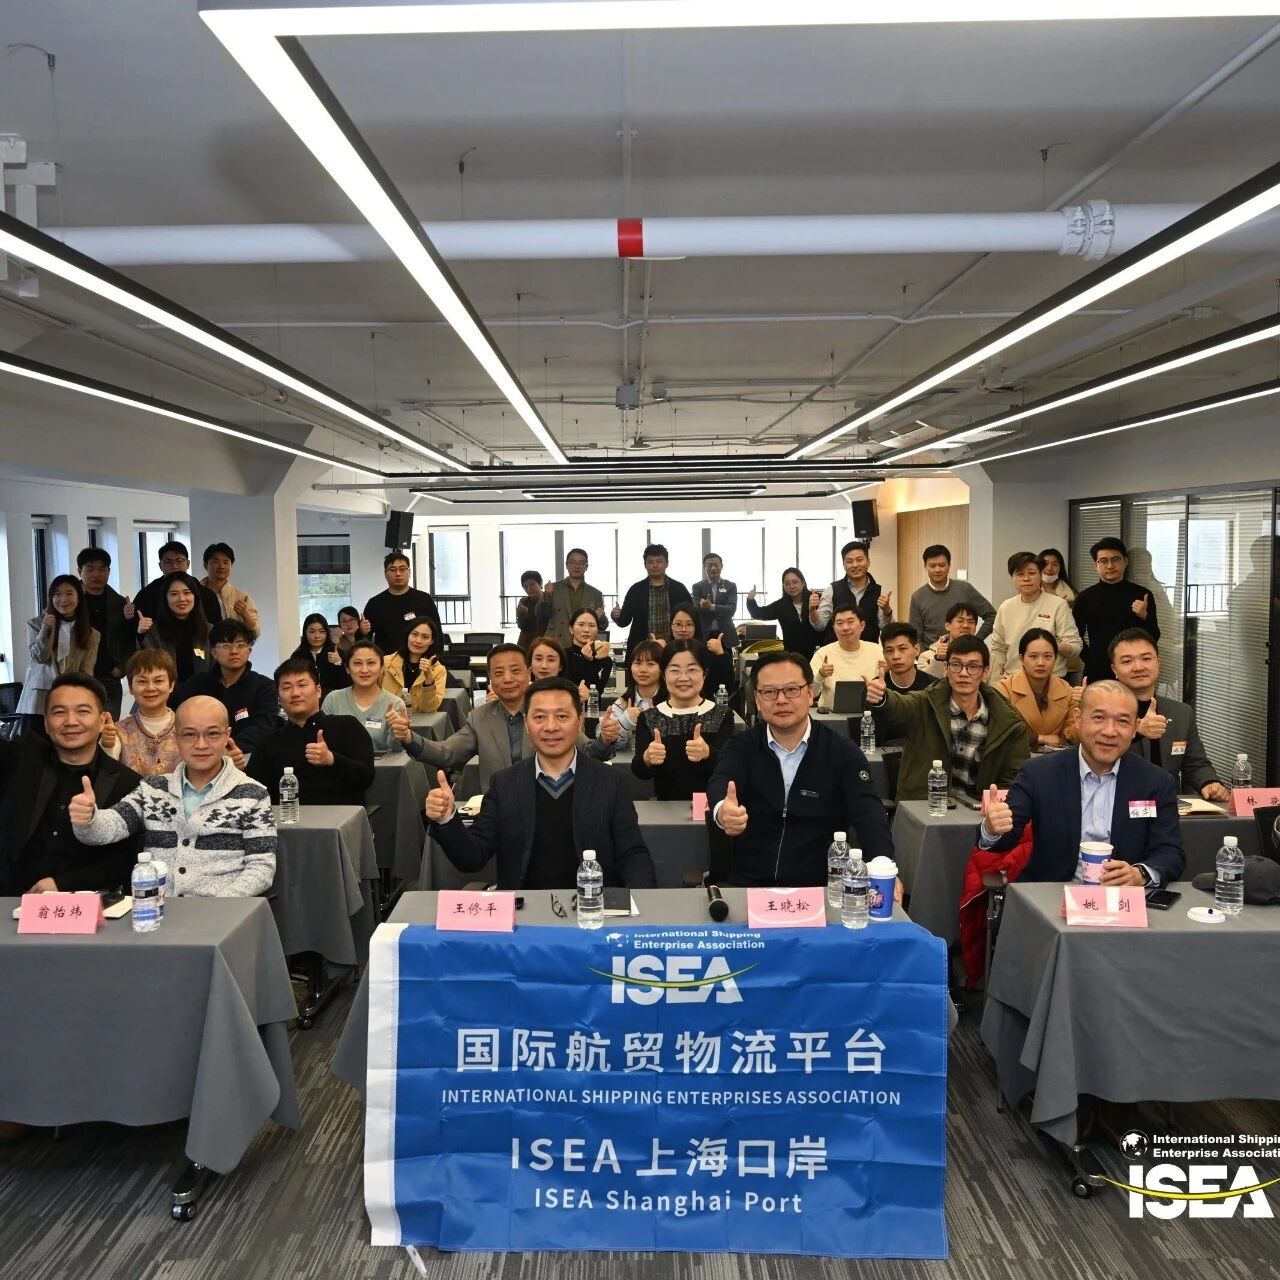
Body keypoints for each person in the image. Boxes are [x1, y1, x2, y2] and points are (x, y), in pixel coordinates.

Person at [426, 677, 657, 890]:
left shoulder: (611, 782)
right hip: (524, 912)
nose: (550, 727)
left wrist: (643, 905)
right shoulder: (505, 785)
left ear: (579, 722)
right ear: (526, 724)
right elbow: (472, 857)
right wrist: (447, 819)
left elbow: (632, 854)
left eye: (562, 716)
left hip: (592, 908)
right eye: (539, 717)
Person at [706, 651, 893, 886]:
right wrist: (722, 810)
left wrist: (882, 864)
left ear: (810, 693)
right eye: (769, 692)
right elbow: (721, 778)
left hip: (819, 888)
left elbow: (869, 813)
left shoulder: (841, 751)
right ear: (757, 699)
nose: (781, 700)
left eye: (792, 690)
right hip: (748, 885)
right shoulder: (742, 745)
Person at [979, 680, 1185, 887]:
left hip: (1122, 899)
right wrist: (992, 828)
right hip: (1051, 895)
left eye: (1123, 721)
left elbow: (1170, 852)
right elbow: (1006, 837)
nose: (1109, 731)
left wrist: (1140, 874)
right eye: (1098, 718)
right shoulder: (1039, 773)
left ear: (1134, 729)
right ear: (1078, 719)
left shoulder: (1155, 782)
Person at [71, 695, 276, 898]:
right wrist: (88, 819)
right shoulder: (153, 788)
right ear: (176, 737)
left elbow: (261, 868)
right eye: (189, 735)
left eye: (212, 734)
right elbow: (108, 828)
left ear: (227, 735)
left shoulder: (253, 794)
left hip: (224, 913)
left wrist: (218, 905)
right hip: (158, 910)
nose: (201, 744)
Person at [0, 674, 141, 895]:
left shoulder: (128, 783)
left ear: (103, 721)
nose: (71, 721)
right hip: (11, 899)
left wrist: (63, 883)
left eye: (83, 711)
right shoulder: (21, 761)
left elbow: (126, 859)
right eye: (59, 712)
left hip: (85, 903)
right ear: (46, 723)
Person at [415, 644, 619, 791]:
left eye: (515, 671)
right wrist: (408, 738)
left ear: (528, 673)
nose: (507, 679)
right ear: (490, 679)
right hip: (500, 815)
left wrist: (605, 739)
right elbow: (446, 753)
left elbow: (588, 753)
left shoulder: (548, 711)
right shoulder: (480, 718)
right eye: (498, 673)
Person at [866, 634, 1029, 802]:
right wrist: (882, 698)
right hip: (927, 808)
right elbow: (900, 706)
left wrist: (994, 805)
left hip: (980, 812)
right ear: (946, 668)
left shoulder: (1006, 720)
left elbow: (1015, 777)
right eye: (956, 665)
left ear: (985, 671)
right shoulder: (925, 703)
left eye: (973, 666)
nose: (963, 673)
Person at [1108, 628, 1229, 801]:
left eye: (1146, 659)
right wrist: (1136, 731)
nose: (1138, 667)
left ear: (1158, 663)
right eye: (1127, 661)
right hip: (1117, 803)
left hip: (1169, 805)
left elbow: (1195, 764)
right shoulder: (1103, 713)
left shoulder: (1181, 712)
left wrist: (1209, 782)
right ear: (1114, 669)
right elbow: (1096, 760)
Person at [247, 658, 376, 806]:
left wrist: (332, 759)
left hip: (339, 816)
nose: (295, 693)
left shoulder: (347, 726)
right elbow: (252, 792)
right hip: (287, 818)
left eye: (302, 685)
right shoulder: (269, 741)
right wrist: (234, 768)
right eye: (286, 687)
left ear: (318, 690)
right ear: (278, 697)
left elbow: (366, 778)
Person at [631, 641, 734, 801]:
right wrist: (647, 758)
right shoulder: (649, 717)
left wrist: (708, 753)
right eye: (674, 670)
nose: (683, 678)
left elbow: (731, 768)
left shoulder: (721, 714)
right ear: (664, 675)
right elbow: (640, 771)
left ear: (704, 674)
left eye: (692, 670)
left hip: (712, 807)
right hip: (667, 809)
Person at [171, 619, 280, 755]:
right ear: (214, 652)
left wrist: (228, 749)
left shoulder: (265, 686)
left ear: (249, 651)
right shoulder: (197, 684)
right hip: (202, 753)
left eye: (240, 645)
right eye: (226, 645)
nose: (234, 651)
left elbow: (263, 727)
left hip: (247, 755)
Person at [323, 639, 431, 761]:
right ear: (347, 668)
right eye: (357, 663)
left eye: (371, 663)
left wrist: (399, 734)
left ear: (381, 668)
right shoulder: (333, 700)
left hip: (382, 770)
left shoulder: (395, 704)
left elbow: (396, 750)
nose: (364, 670)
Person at [1072, 537, 1161, 684]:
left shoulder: (1142, 594)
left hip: (1133, 669)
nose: (1110, 566)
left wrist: (1144, 616)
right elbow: (1075, 636)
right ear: (1095, 565)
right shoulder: (1085, 598)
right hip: (1097, 670)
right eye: (1103, 561)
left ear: (1125, 561)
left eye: (1115, 559)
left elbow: (1154, 636)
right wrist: (1091, 658)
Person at [987, 552, 1082, 681]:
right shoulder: (1006, 607)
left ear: (1040, 575)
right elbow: (998, 649)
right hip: (1014, 680)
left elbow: (1075, 646)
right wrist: (995, 681)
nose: (1026, 578)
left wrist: (1052, 646)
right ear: (1012, 578)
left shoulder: (1058, 604)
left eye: (1031, 573)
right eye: (1020, 574)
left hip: (1052, 680)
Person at [18, 575, 100, 719]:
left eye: (69, 593)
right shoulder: (35, 624)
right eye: (57, 594)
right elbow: (40, 656)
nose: (63, 599)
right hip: (38, 700)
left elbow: (86, 672)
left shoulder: (91, 634)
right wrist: (46, 628)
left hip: (70, 700)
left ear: (79, 598)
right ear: (51, 598)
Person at [995, 628, 1081, 750]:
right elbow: (1003, 730)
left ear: (1055, 658)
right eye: (1033, 656)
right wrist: (1039, 738)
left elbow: (1072, 737)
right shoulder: (1004, 689)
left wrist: (1087, 709)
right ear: (1021, 659)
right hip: (1017, 757)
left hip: (1056, 758)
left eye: (1048, 656)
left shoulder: (1067, 691)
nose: (1040, 663)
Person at [102, 650, 182, 777]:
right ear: (131, 687)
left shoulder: (187, 728)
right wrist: (107, 746)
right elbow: (107, 775)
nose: (150, 688)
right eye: (142, 682)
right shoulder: (118, 731)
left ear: (171, 685)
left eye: (158, 681)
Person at [77, 546, 134, 720]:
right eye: (90, 569)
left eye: (102, 569)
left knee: (108, 727)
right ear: (79, 571)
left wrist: (121, 667)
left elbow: (130, 640)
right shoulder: (72, 601)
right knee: (81, 724)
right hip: (78, 676)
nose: (96, 574)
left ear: (109, 572)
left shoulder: (119, 603)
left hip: (109, 677)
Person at [611, 543, 692, 657]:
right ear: (645, 565)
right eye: (650, 562)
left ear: (666, 563)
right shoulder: (636, 590)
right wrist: (616, 616)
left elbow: (691, 617)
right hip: (643, 650)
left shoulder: (679, 589)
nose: (654, 565)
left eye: (659, 561)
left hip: (673, 648)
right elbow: (624, 621)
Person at [907, 544, 995, 647]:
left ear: (949, 565)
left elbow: (992, 616)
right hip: (932, 654)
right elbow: (915, 636)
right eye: (932, 566)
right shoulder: (918, 597)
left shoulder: (965, 589)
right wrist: (927, 655)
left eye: (942, 565)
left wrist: (977, 640)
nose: (937, 570)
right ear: (925, 566)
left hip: (964, 652)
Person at [810, 540, 892, 645]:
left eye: (859, 560)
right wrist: (812, 610)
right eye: (849, 561)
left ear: (868, 562)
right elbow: (820, 626)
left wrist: (887, 610)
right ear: (844, 565)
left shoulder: (879, 591)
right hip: (837, 651)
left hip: (868, 651)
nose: (855, 565)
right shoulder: (832, 590)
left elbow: (886, 628)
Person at [361, 551, 443, 656]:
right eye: (392, 570)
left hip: (420, 661)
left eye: (402, 569)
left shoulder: (424, 599)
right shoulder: (374, 603)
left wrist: (435, 659)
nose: (398, 573)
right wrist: (363, 632)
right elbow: (364, 640)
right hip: (387, 662)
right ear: (385, 574)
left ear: (409, 572)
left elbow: (437, 633)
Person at [138, 571, 212, 684]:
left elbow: (216, 669)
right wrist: (141, 634)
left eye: (187, 593)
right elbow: (146, 665)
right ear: (165, 598)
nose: (181, 599)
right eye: (174, 594)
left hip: (202, 692)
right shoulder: (153, 631)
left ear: (195, 596)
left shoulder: (209, 630)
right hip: (166, 691)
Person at [811, 603, 885, 710]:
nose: (845, 628)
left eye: (850, 622)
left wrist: (889, 671)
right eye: (839, 623)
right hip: (830, 716)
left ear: (862, 625)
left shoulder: (878, 651)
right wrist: (820, 675)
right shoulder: (822, 654)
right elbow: (810, 693)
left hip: (871, 714)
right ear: (834, 628)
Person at [595, 639, 663, 752]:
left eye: (651, 664)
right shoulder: (624, 702)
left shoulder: (671, 701)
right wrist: (625, 721)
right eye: (638, 663)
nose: (643, 670)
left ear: (662, 668)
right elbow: (614, 746)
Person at [134, 540, 221, 625]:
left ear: (188, 564)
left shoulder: (206, 595)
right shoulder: (146, 595)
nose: (174, 566)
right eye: (168, 562)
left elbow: (216, 628)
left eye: (179, 561)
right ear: (160, 566)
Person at [540, 549, 608, 647]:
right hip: (556, 644)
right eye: (572, 562)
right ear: (566, 565)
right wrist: (546, 596)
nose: (577, 566)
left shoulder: (595, 594)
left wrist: (600, 618)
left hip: (584, 645)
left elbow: (603, 626)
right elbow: (541, 616)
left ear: (586, 567)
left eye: (581, 563)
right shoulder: (552, 589)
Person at [744, 568, 817, 657]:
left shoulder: (815, 599)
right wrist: (750, 599)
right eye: (787, 584)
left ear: (803, 582)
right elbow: (757, 613)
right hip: (792, 655)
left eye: (795, 582)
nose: (791, 586)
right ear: (783, 586)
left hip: (818, 652)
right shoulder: (780, 605)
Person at [669, 603, 735, 700]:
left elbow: (727, 686)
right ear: (671, 625)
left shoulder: (706, 652)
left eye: (689, 624)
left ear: (696, 627)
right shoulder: (665, 651)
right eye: (678, 624)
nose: (683, 629)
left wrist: (721, 654)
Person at [383, 616, 447, 713]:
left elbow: (428, 708)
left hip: (419, 721)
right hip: (387, 718)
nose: (418, 641)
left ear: (432, 641)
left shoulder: (438, 670)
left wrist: (428, 679)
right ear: (408, 635)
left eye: (425, 637)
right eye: (414, 634)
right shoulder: (386, 662)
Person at [200, 542, 260, 638]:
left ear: (231, 565)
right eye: (216, 561)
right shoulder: (194, 595)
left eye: (226, 562)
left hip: (233, 646)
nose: (221, 566)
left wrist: (245, 614)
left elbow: (256, 632)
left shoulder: (242, 597)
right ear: (205, 565)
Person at [293, 613, 352, 697]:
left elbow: (346, 685)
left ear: (327, 633)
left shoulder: (337, 652)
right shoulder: (298, 656)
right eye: (312, 632)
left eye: (321, 631)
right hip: (306, 699)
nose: (317, 636)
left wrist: (338, 663)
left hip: (332, 699)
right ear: (305, 633)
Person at [917, 602, 979, 679]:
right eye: (960, 621)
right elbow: (926, 683)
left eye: (970, 622)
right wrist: (938, 660)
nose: (966, 625)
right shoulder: (927, 656)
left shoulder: (983, 656)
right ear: (947, 626)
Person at [563, 608, 614, 703]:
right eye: (581, 624)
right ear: (571, 629)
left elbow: (596, 692)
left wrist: (591, 661)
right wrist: (585, 661)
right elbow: (568, 688)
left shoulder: (605, 660)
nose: (586, 630)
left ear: (597, 630)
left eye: (591, 625)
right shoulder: (562, 655)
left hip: (592, 710)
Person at [692, 553, 738, 644]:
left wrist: (710, 606)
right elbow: (696, 609)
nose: (713, 568)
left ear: (722, 566)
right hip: (704, 634)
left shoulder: (730, 586)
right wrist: (703, 606)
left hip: (726, 634)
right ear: (704, 567)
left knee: (725, 654)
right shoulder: (698, 586)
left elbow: (731, 609)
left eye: (716, 565)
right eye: (709, 565)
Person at [879, 622, 935, 693]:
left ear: (916, 650)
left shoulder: (933, 686)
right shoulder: (875, 688)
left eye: (902, 648)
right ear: (884, 654)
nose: (896, 656)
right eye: (890, 650)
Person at [514, 571, 546, 650]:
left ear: (540, 583)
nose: (529, 588)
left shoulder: (548, 599)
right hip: (526, 644)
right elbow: (522, 626)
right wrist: (522, 615)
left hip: (545, 642)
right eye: (525, 586)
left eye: (532, 584)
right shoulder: (523, 601)